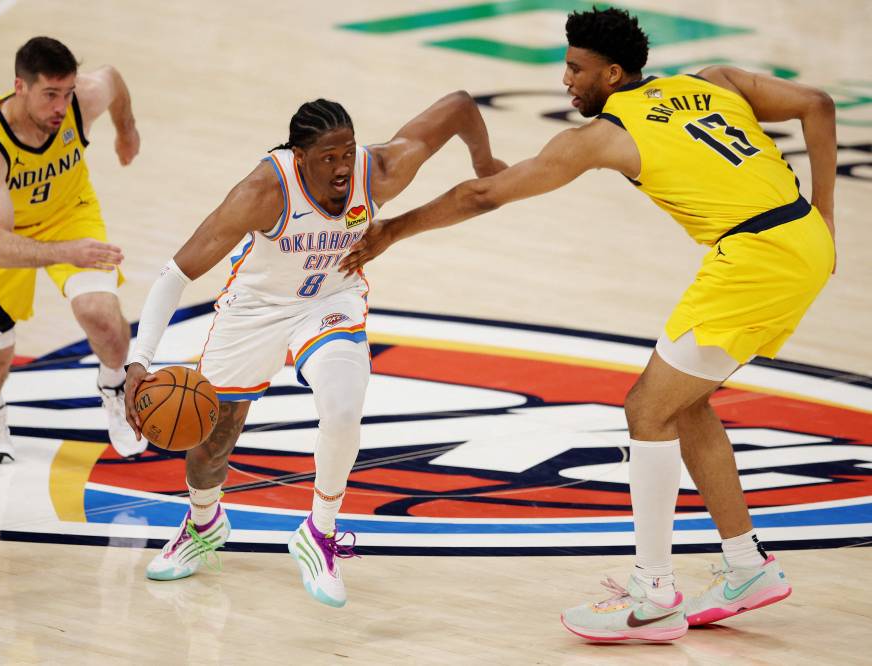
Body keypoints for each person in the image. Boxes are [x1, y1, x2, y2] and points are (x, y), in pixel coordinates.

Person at [340, 7, 836, 641]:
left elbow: (483, 195)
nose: (566, 79)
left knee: (646, 411)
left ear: (614, 71)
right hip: (797, 241)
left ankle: (653, 593)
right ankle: (747, 567)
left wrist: (391, 231)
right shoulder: (715, 81)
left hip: (756, 261)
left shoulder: (603, 136)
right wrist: (824, 216)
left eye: (576, 69)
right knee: (685, 405)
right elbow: (818, 105)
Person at [123, 93, 504, 607]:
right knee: (213, 435)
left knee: (344, 408)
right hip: (256, 306)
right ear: (299, 157)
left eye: (347, 151)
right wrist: (139, 362)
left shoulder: (379, 172)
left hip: (331, 299)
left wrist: (483, 161)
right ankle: (203, 524)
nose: (343, 166)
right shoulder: (262, 192)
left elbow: (459, 106)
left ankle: (319, 532)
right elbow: (176, 275)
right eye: (329, 157)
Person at [0, 36, 143, 463]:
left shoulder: (83, 100)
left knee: (104, 318)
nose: (61, 106)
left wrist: (127, 129)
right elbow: (1, 247)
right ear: (20, 87)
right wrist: (67, 253)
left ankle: (115, 387)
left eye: (67, 92)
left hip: (69, 213)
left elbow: (113, 80)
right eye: (50, 95)